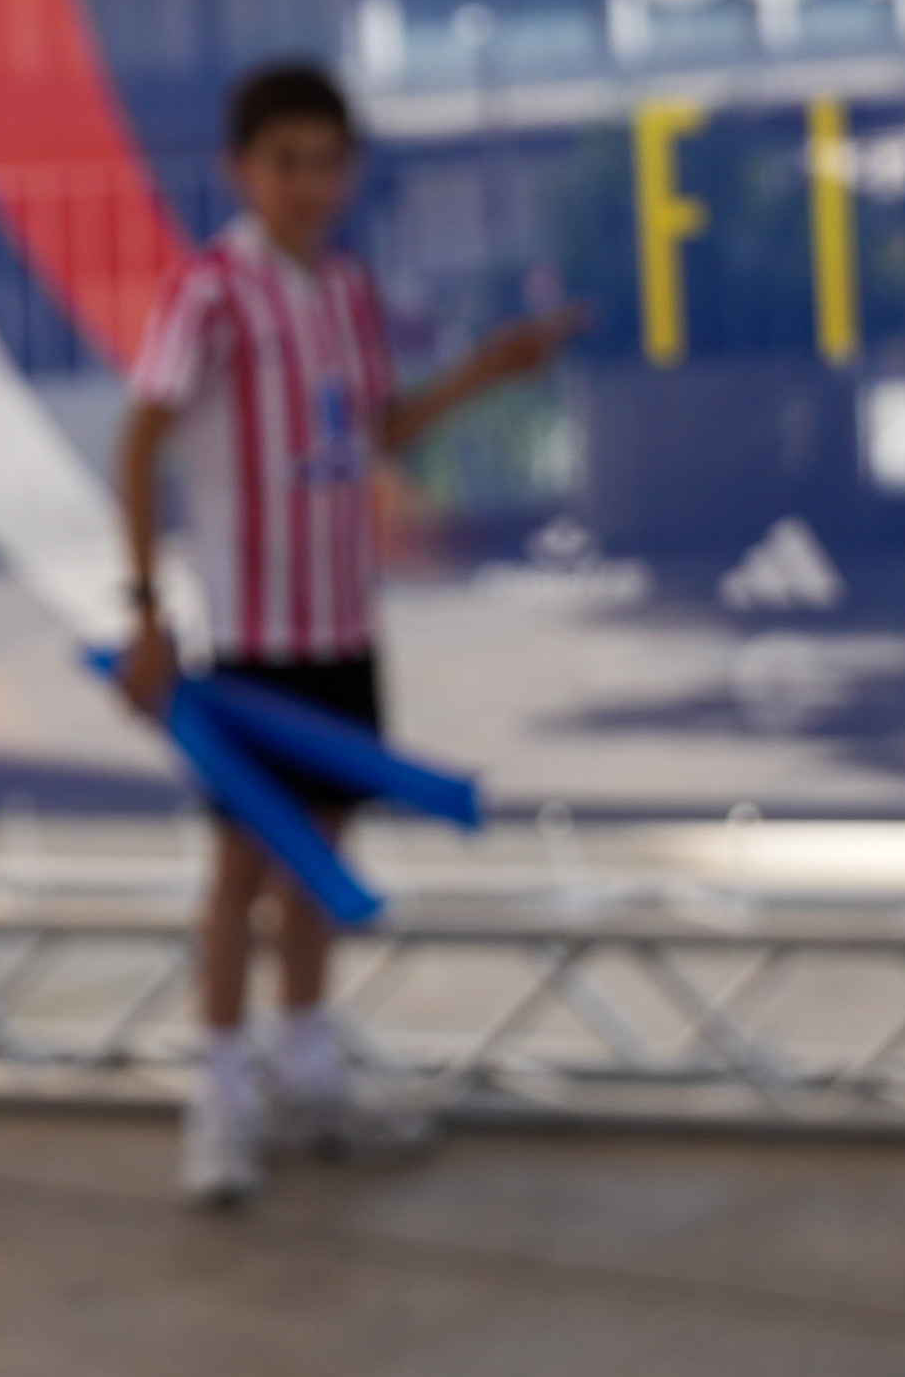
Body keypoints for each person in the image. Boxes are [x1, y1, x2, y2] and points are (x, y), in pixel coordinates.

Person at [112, 59, 567, 1206]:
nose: (308, 183)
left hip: (343, 631)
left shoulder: (348, 291)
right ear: (243, 169)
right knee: (237, 873)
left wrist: (491, 368)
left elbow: (381, 425)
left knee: (318, 864)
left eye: (326, 162)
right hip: (254, 643)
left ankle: (307, 1077)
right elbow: (141, 440)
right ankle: (218, 1106)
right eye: (285, 162)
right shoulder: (212, 290)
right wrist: (146, 612)